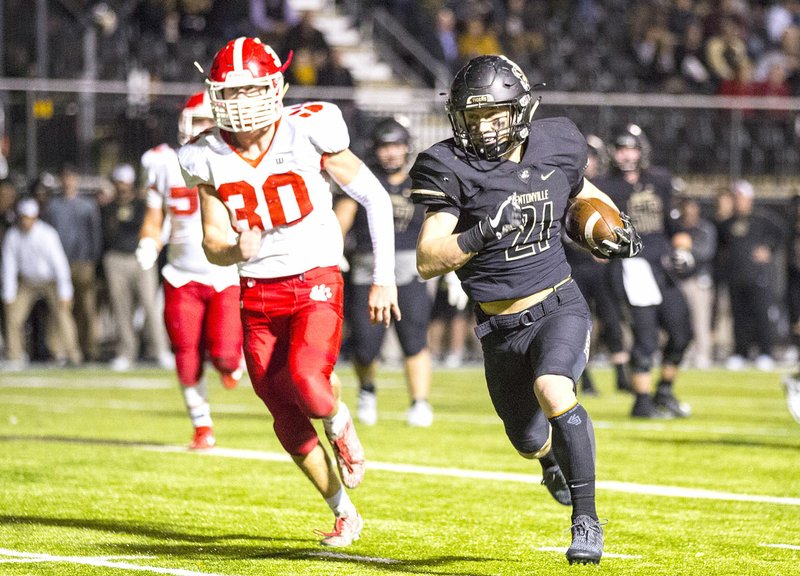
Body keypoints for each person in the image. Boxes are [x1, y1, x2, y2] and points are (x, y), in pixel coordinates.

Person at [410, 54, 642, 565]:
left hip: (558, 303)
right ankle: (549, 465)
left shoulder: (557, 142)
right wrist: (481, 232)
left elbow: (580, 192)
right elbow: (428, 259)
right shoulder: (450, 165)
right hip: (498, 326)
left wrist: (610, 229)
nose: (484, 128)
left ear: (521, 110)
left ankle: (586, 519)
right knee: (528, 438)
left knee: (553, 387)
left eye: (494, 115)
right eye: (473, 118)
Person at [177, 37, 399, 548]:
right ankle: (344, 512)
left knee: (308, 381)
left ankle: (342, 424)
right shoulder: (204, 155)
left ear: (276, 85)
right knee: (283, 413)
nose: (241, 104)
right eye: (230, 94)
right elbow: (214, 244)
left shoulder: (307, 128)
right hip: (256, 295)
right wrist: (237, 248)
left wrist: (384, 275)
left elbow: (374, 196)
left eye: (251, 90)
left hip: (315, 278)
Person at [137, 91, 244, 450]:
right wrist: (149, 243)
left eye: (207, 120)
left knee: (226, 355)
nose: (202, 127)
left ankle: (232, 362)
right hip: (181, 273)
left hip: (225, 272)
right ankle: (202, 427)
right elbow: (156, 216)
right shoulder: (162, 162)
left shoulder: (234, 158)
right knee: (186, 352)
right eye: (196, 120)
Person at [335, 117, 433, 427]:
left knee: (415, 339)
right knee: (365, 344)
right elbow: (342, 219)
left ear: (407, 148)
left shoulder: (421, 183)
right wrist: (332, 249)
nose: (390, 153)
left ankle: (419, 402)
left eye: (396, 146)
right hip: (369, 270)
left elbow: (438, 221)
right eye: (384, 146)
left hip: (410, 270)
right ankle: (367, 389)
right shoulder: (364, 180)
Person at [594, 124, 693, 419]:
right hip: (630, 265)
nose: (626, 154)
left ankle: (664, 391)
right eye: (622, 148)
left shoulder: (660, 180)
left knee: (682, 332)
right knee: (646, 337)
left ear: (642, 150)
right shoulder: (605, 185)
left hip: (662, 266)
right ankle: (641, 401)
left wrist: (684, 250)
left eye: (632, 148)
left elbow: (676, 226)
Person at [564, 134, 631, 395]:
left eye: (591, 155)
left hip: (604, 267)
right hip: (575, 265)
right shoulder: (568, 185)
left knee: (612, 318)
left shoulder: (608, 186)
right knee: (579, 321)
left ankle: (621, 373)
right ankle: (585, 376)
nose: (588, 161)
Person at [101, 163, 173, 371]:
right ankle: (126, 352)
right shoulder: (108, 206)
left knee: (150, 305)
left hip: (141, 257)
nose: (122, 187)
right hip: (116, 258)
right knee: (121, 308)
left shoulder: (143, 204)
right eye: (119, 183)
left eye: (125, 183)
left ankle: (160, 350)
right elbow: (107, 232)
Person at [2, 197, 81, 369]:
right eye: (23, 217)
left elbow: (60, 265)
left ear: (35, 217)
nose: (25, 221)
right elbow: (8, 267)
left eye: (28, 217)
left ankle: (72, 354)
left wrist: (65, 292)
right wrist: (8, 294)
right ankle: (14, 355)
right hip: (27, 282)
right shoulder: (13, 236)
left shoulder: (47, 234)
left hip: (50, 281)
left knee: (62, 313)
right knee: (13, 315)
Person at [718, 179, 785, 371]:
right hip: (736, 276)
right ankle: (741, 353)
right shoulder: (728, 223)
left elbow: (781, 234)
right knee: (739, 318)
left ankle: (766, 353)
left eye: (740, 197)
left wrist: (769, 249)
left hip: (759, 276)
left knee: (762, 315)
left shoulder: (762, 219)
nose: (737, 201)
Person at [43, 163, 103, 362]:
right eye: (65, 177)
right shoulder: (53, 206)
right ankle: (61, 350)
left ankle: (90, 348)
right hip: (60, 264)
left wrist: (94, 259)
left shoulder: (88, 204)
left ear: (76, 179)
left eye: (71, 177)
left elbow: (95, 234)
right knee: (61, 307)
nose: (68, 181)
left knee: (87, 307)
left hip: (84, 262)